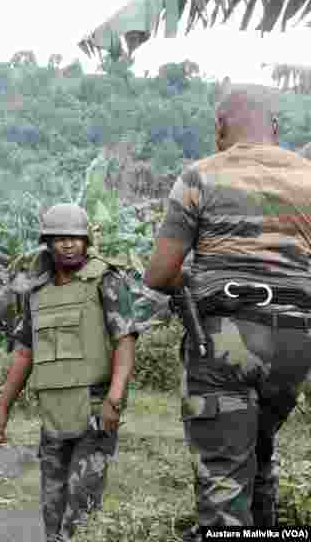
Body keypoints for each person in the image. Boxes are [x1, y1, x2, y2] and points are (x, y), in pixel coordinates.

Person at [144, 85, 311, 537]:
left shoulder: (201, 176)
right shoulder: (308, 176)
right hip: (296, 344)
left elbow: (159, 274)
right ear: (275, 129)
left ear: (220, 127)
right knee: (258, 452)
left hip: (227, 341)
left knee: (223, 477)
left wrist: (189, 282)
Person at [0, 203, 157, 542]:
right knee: (52, 511)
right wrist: (3, 407)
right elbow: (25, 353)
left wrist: (115, 397)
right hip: (53, 414)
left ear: (87, 240)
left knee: (81, 514)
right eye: (59, 238)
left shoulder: (105, 280)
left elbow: (125, 341)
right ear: (47, 243)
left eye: (75, 238)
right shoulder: (36, 290)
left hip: (94, 410)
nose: (68, 245)